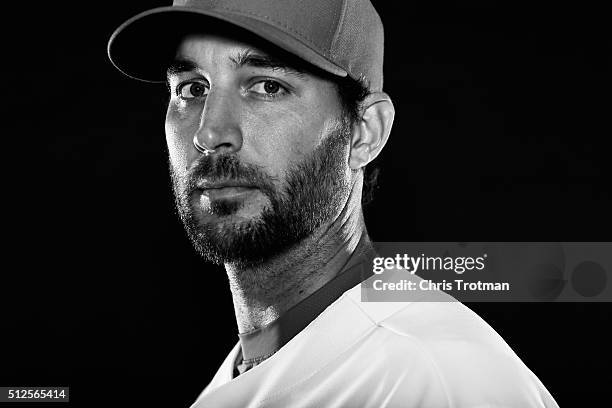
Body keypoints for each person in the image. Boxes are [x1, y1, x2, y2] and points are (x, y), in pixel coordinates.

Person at [108, 0, 560, 406]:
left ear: (366, 133)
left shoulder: (437, 378)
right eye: (192, 89)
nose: (208, 134)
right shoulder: (249, 371)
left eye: (266, 87)